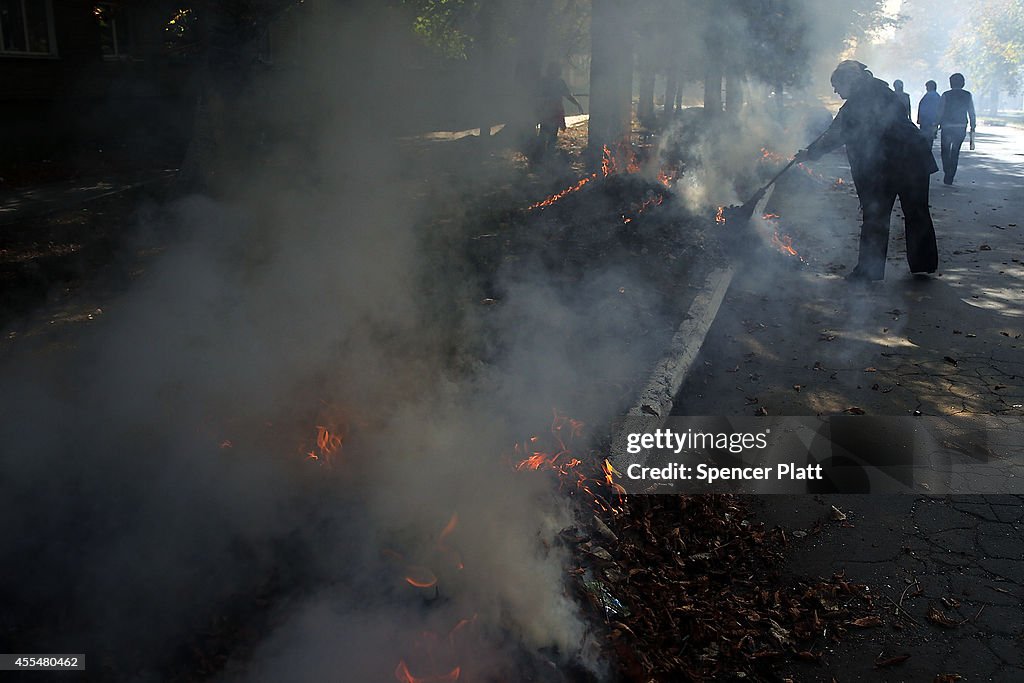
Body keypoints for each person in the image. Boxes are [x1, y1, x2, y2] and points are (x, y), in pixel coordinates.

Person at [794, 60, 939, 281]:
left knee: (876, 216)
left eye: (837, 85)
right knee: (917, 213)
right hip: (913, 160)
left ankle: (869, 272)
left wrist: (810, 153)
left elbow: (835, 134)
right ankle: (922, 265)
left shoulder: (858, 103)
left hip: (889, 165)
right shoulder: (882, 91)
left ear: (848, 81)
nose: (835, 90)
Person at [536, 63, 583, 159]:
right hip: (548, 111)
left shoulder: (557, 82)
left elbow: (568, 95)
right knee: (544, 133)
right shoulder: (546, 82)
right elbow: (538, 97)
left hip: (554, 111)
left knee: (552, 134)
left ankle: (547, 155)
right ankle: (541, 155)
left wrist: (577, 104)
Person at [937, 73, 976, 185]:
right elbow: (971, 112)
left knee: (945, 151)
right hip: (960, 126)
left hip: (947, 126)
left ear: (950, 83)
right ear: (963, 83)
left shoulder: (945, 95)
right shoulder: (967, 95)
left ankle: (947, 171)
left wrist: (936, 123)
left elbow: (941, 110)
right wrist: (973, 126)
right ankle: (951, 175)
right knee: (955, 151)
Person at [917, 80, 941, 144]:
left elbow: (922, 108)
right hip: (934, 121)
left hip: (926, 121)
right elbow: (940, 109)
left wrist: (919, 119)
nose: (926, 88)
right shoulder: (938, 96)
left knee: (925, 139)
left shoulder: (927, 96)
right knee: (930, 139)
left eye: (927, 87)